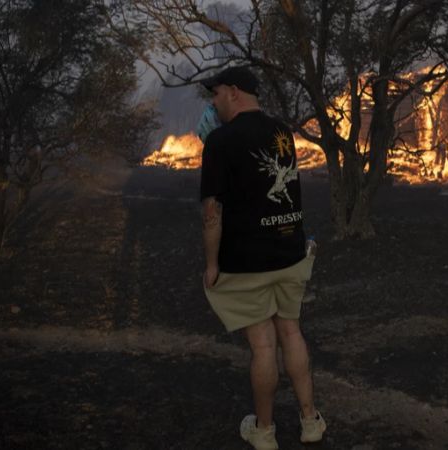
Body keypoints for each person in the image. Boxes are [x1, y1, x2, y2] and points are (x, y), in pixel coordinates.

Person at [198, 66, 326, 450]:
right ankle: (310, 422)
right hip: (289, 252)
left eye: (216, 93)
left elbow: (211, 213)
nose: (213, 101)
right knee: (291, 333)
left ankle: (265, 431)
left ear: (234, 92)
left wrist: (211, 264)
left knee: (264, 347)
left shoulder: (219, 142)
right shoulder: (281, 131)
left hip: (247, 262)